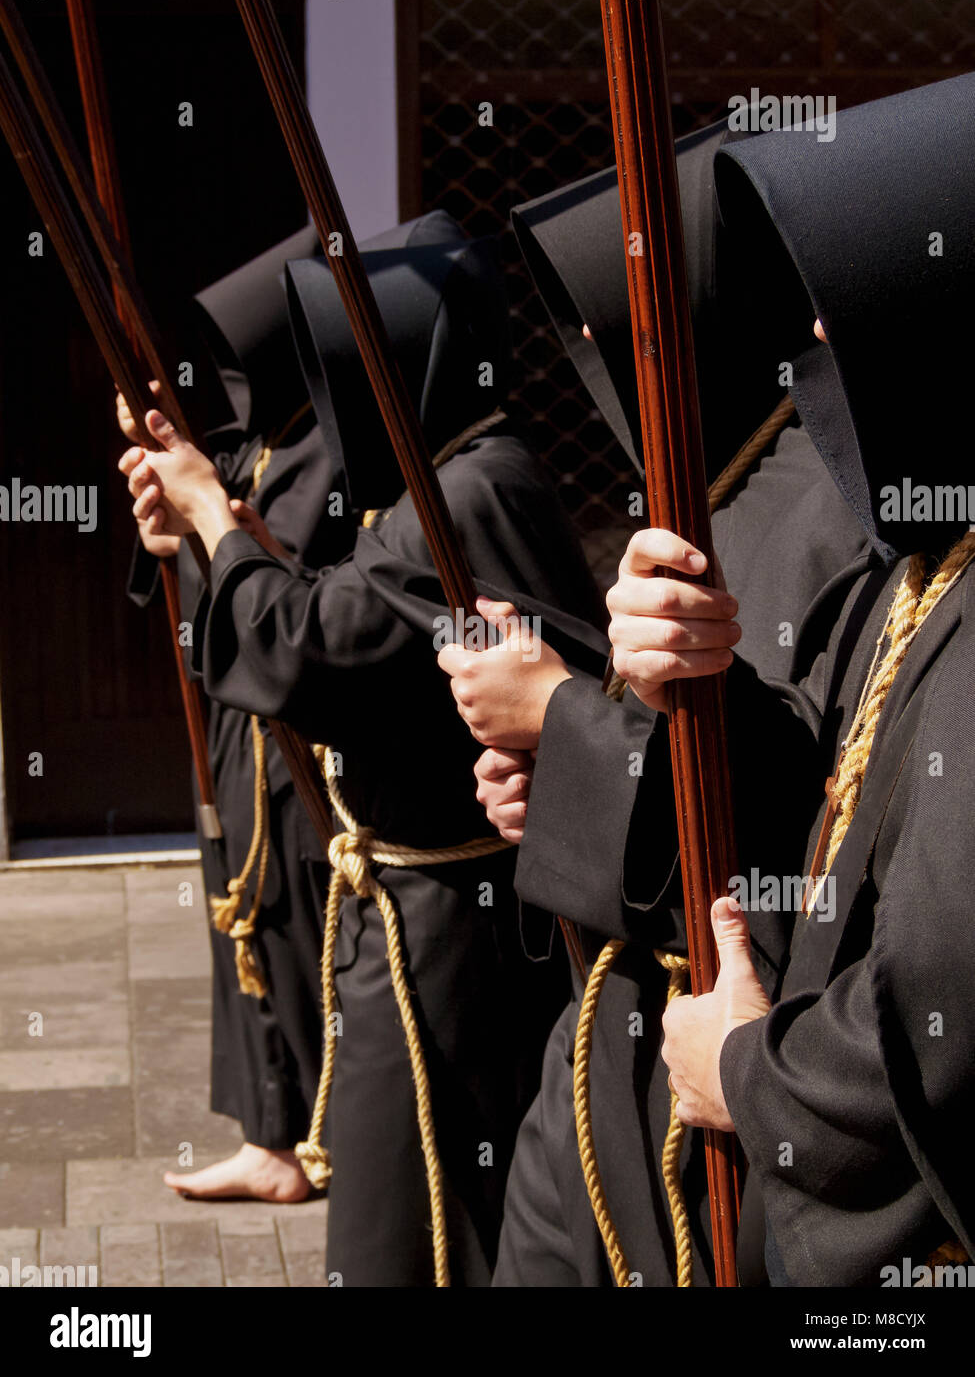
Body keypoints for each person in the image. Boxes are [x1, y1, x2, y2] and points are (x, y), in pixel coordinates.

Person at [118, 212, 609, 1286]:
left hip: (459, 936)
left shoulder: (472, 491)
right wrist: (216, 534)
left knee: (420, 1220)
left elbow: (304, 645)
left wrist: (213, 514)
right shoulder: (446, 479)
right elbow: (321, 606)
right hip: (421, 918)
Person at [438, 118, 870, 1284]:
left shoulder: (838, 515)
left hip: (717, 1064)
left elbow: (807, 809)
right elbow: (673, 764)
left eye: (612, 322)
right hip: (611, 1049)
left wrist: (563, 716)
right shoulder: (738, 488)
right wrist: (563, 775)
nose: (592, 351)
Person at [612, 73, 975, 1285]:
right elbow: (841, 798)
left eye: (847, 286)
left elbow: (946, 1021)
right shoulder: (934, 557)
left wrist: (749, 1071)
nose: (818, 332)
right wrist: (687, 682)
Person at [122, 226, 346, 1202]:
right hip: (234, 727)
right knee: (237, 918)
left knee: (298, 929)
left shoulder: (334, 459)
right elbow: (210, 573)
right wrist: (167, 530)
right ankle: (269, 1133)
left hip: (294, 736)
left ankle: (323, 1126)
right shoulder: (251, 450)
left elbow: (289, 594)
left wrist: (209, 519)